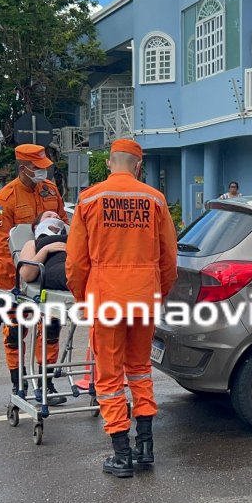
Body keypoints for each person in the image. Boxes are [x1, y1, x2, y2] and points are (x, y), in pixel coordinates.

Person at [66, 138, 178, 478]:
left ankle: (121, 453)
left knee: (110, 376)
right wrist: (158, 292)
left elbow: (75, 263)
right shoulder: (155, 199)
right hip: (144, 296)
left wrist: (83, 298)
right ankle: (145, 447)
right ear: (138, 166)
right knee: (140, 369)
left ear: (109, 164)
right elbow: (169, 258)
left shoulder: (89, 199)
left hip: (107, 298)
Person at [0, 145, 68, 406]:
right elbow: (5, 246)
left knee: (51, 328)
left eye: (44, 166)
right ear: (23, 167)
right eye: (37, 167)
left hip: (46, 272)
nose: (43, 171)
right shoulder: (4, 200)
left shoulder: (50, 191)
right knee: (15, 331)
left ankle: (46, 384)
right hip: (10, 276)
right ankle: (18, 380)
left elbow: (63, 228)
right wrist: (29, 272)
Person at [18, 213, 69, 291]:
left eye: (57, 217)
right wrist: (45, 250)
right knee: (73, 272)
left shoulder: (71, 238)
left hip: (75, 263)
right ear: (36, 226)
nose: (55, 217)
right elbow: (26, 275)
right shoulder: (32, 243)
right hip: (55, 270)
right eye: (48, 216)